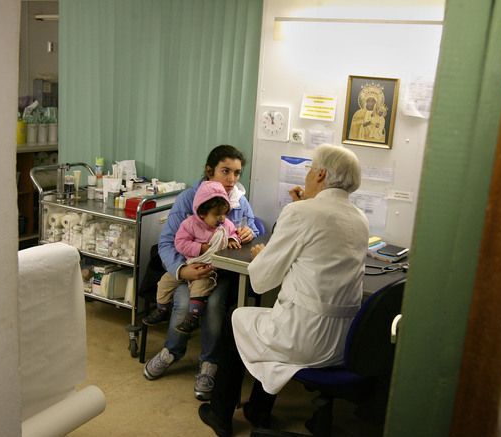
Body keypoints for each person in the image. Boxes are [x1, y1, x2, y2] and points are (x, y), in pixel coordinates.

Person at [197, 144, 369, 436]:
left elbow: (261, 280)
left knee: (236, 320)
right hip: (342, 343)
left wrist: (263, 254)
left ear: (321, 174)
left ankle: (220, 414)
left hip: (304, 338)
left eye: (310, 170)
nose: (306, 176)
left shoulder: (301, 213)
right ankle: (257, 410)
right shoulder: (360, 219)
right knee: (268, 323)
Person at [144, 145, 260, 402]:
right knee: (183, 301)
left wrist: (249, 232)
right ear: (210, 171)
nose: (231, 180)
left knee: (216, 303)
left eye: (237, 173)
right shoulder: (189, 199)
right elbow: (166, 242)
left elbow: (251, 226)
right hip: (189, 268)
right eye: (225, 171)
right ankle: (171, 351)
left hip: (218, 273)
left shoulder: (239, 200)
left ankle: (209, 364)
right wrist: (182, 270)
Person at [142, 180, 242, 334]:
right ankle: (161, 310)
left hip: (207, 269)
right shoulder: (189, 224)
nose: (222, 218)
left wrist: (232, 239)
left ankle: (193, 317)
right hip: (186, 264)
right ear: (202, 213)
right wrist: (200, 248)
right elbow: (180, 243)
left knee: (200, 288)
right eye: (217, 215)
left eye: (224, 213)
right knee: (164, 283)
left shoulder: (224, 225)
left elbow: (234, 232)